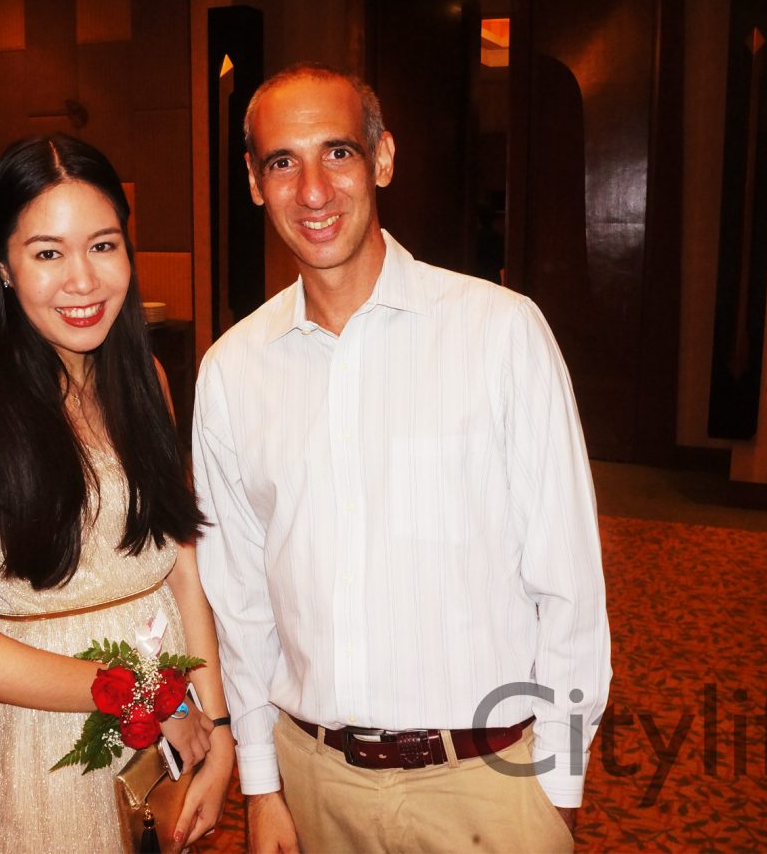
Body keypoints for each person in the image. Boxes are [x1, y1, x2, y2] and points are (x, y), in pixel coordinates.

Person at [192, 64, 611, 853]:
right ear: (254, 182)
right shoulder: (232, 372)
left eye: (338, 153)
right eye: (282, 162)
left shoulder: (500, 333)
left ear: (382, 158)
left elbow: (568, 582)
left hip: (487, 784)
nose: (313, 190)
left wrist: (557, 793)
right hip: (314, 784)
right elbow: (240, 602)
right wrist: (263, 784)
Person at [0, 133, 234, 852]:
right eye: (47, 253)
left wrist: (218, 729)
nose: (83, 280)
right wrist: (149, 696)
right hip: (44, 736)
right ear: (4, 267)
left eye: (102, 245)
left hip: (170, 727)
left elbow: (182, 569)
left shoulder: (146, 380)